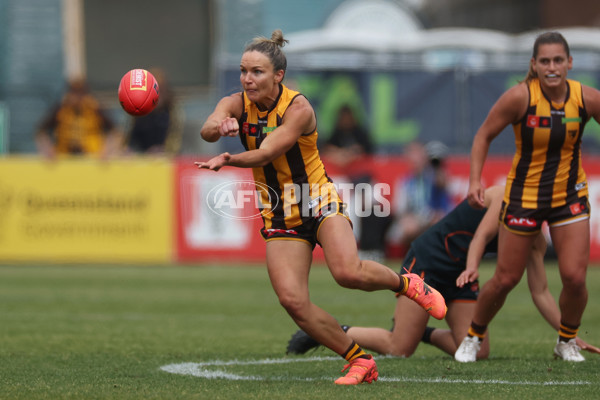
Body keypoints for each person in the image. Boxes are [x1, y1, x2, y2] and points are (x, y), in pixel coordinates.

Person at [194, 29, 447, 385]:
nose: (247, 79)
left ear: (278, 75)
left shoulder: (298, 108)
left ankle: (408, 285)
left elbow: (269, 151)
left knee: (348, 273)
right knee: (293, 302)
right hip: (280, 211)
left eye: (256, 72)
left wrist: (229, 157)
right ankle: (360, 361)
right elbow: (207, 128)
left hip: (318, 199)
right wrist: (219, 126)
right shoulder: (235, 103)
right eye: (243, 70)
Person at [286, 186, 600, 359]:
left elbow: (541, 291)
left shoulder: (535, 241)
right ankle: (333, 332)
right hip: (430, 261)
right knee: (400, 348)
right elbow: (479, 238)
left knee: (476, 352)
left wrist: (567, 332)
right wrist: (474, 267)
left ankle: (424, 331)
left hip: (462, 274)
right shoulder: (506, 195)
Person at [455, 31, 600, 362]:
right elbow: (483, 136)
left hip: (569, 197)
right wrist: (474, 180)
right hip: (524, 198)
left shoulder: (587, 98)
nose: (552, 67)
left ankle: (566, 340)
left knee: (576, 278)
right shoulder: (519, 97)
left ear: (569, 63)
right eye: (545, 61)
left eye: (558, 60)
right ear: (534, 64)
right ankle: (474, 335)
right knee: (506, 278)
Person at [387, 140, 452, 252]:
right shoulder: (405, 182)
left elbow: (444, 183)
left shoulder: (434, 175)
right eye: (412, 156)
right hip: (416, 219)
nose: (416, 160)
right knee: (408, 228)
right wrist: (407, 218)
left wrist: (435, 166)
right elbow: (398, 209)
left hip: (436, 216)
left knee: (439, 221)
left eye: (418, 155)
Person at [35, 77, 122, 158]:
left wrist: (107, 151)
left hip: (92, 158)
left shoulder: (95, 108)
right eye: (74, 93)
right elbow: (41, 131)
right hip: (64, 158)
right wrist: (48, 150)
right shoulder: (61, 109)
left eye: (80, 94)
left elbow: (115, 131)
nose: (77, 98)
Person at [126, 68, 182, 155]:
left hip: (164, 159)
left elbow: (176, 140)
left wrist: (165, 150)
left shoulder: (172, 112)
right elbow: (129, 138)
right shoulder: (137, 112)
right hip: (139, 157)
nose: (158, 96)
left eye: (161, 91)